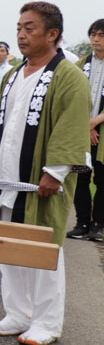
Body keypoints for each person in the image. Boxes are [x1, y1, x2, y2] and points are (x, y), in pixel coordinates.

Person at [0, 1, 90, 345]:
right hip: (7, 180)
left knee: (43, 251)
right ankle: (18, 314)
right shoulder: (13, 73)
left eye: (30, 28)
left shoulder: (69, 75)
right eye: (19, 28)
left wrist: (56, 172)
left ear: (52, 34)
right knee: (8, 247)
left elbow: (72, 126)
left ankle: (47, 322)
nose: (21, 35)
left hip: (42, 182)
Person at [67, 19, 104, 241]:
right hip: (82, 130)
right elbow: (72, 98)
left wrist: (96, 121)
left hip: (100, 132)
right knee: (80, 177)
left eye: (101, 35)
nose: (95, 39)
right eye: (93, 34)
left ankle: (98, 224)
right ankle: (82, 222)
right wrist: (87, 125)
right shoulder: (80, 66)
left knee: (102, 180)